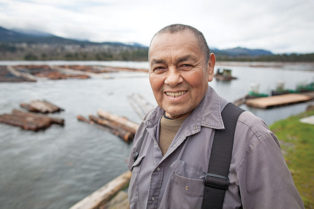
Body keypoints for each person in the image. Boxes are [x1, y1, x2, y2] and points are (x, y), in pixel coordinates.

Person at [128, 24, 304, 209]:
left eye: (186, 65)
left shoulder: (250, 137)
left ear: (210, 67)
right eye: (160, 68)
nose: (172, 79)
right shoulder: (147, 125)